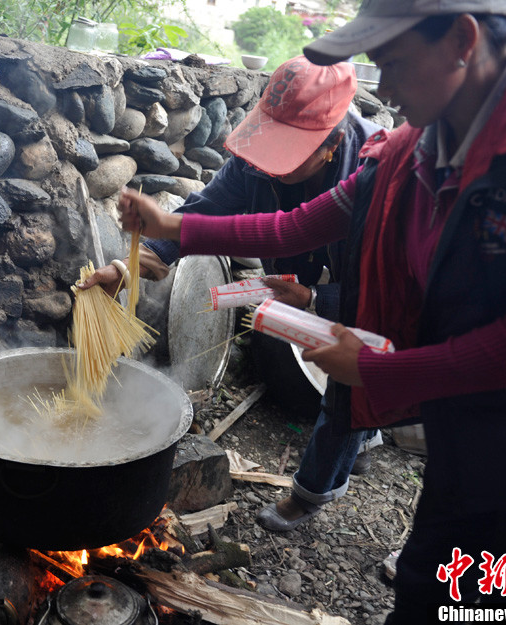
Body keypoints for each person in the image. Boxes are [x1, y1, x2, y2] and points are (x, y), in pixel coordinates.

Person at [113, 0, 506, 619]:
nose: (383, 84)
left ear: (462, 40)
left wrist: (383, 370)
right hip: (463, 412)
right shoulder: (414, 152)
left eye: (393, 60)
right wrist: (173, 227)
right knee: (432, 581)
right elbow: (291, 228)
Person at [81, 55, 384, 532]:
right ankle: (361, 436)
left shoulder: (375, 180)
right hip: (302, 273)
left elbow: (383, 302)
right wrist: (132, 263)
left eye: (288, 153)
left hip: (373, 289)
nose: (269, 164)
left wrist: (313, 301)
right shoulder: (258, 162)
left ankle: (310, 492)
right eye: (270, 143)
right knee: (347, 385)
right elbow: (222, 213)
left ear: (334, 144)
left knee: (354, 376)